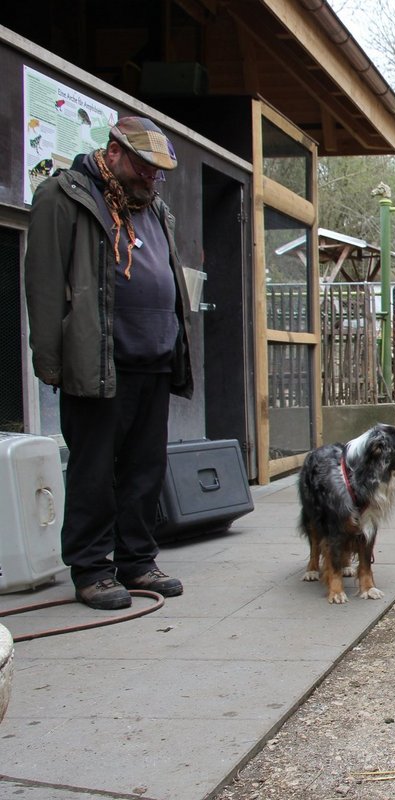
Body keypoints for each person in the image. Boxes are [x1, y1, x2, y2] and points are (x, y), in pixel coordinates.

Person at [24, 116, 195, 610]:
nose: (151, 178)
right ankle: (93, 569)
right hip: (99, 359)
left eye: (158, 172)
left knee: (145, 468)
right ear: (115, 154)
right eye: (144, 167)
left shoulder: (154, 207)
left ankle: (137, 560)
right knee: (95, 471)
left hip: (154, 358)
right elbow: (43, 282)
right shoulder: (67, 196)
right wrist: (50, 361)